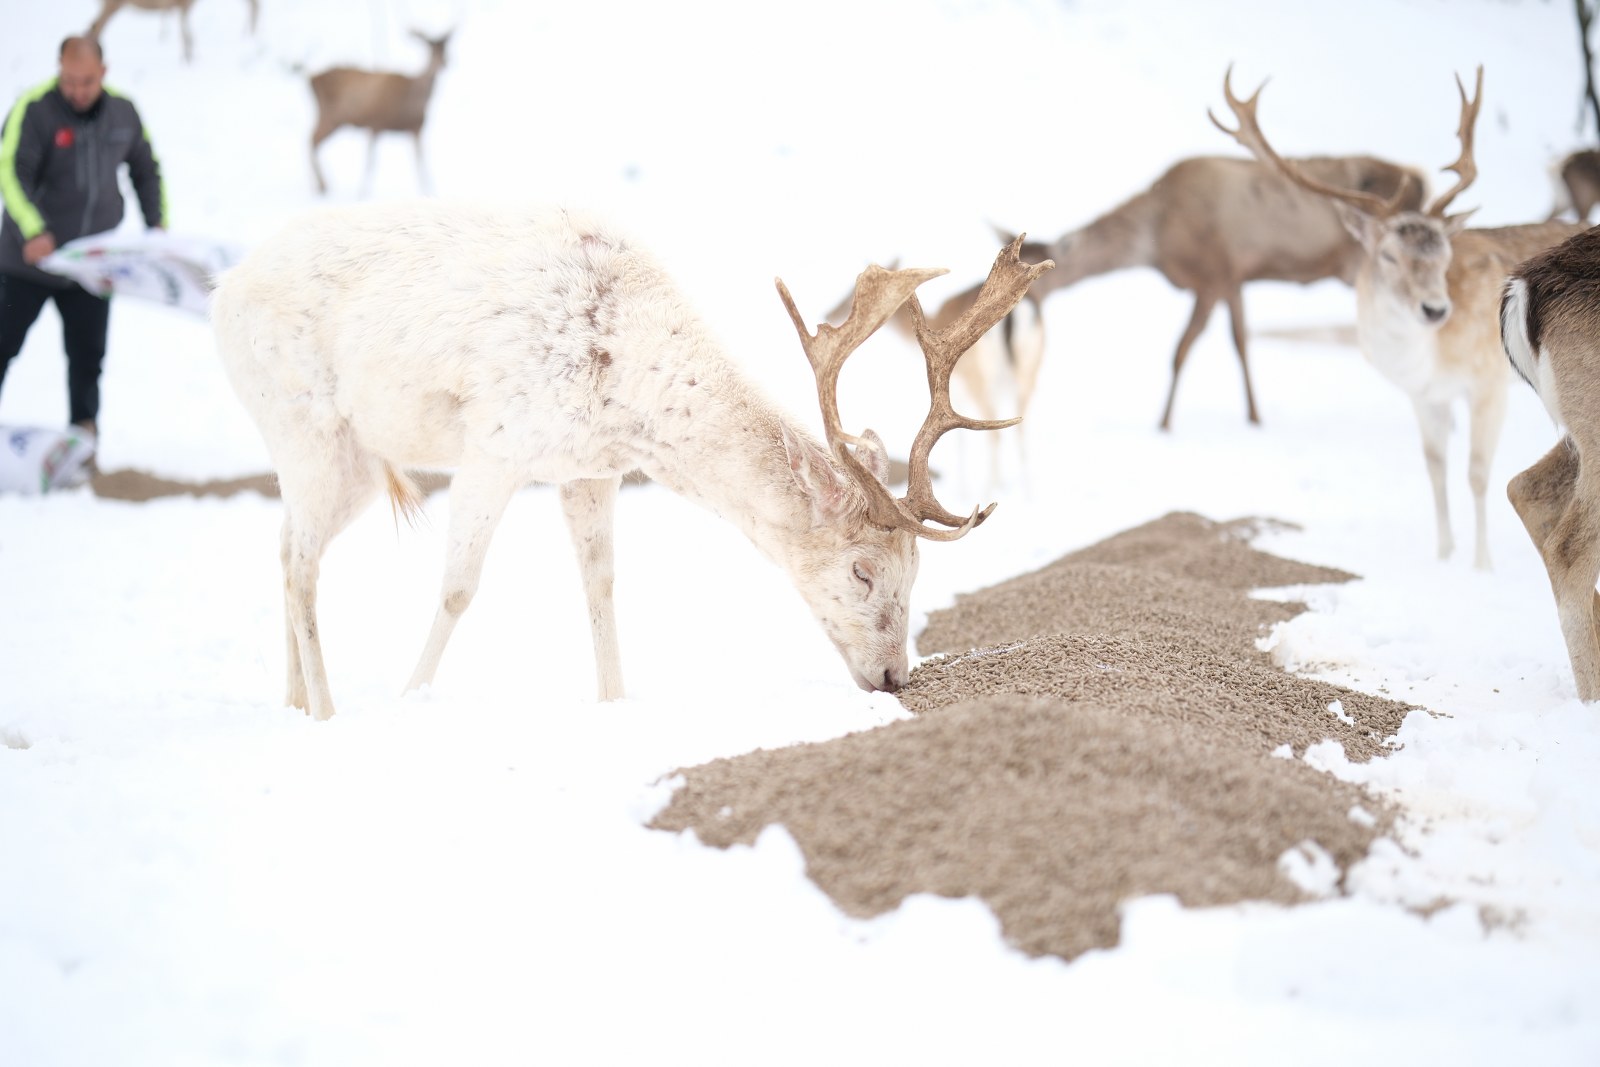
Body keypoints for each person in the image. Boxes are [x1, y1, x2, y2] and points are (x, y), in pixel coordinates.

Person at [0, 35, 166, 446]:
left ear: (103, 74)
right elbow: (10, 171)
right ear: (59, 68)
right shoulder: (35, 109)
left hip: (92, 266)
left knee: (88, 358)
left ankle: (83, 442)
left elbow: (146, 170)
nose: (76, 90)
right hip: (28, 263)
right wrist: (34, 231)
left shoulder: (123, 112)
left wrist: (157, 227)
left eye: (86, 82)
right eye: (69, 80)